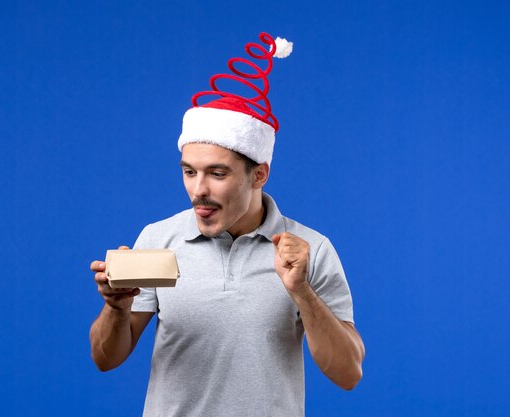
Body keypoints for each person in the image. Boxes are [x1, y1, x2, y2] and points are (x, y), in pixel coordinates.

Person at [89, 33, 365, 417]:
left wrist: (301, 291)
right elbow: (106, 359)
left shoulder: (310, 250)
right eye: (189, 171)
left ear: (258, 174)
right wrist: (116, 308)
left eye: (217, 173)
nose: (198, 190)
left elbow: (348, 373)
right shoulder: (158, 239)